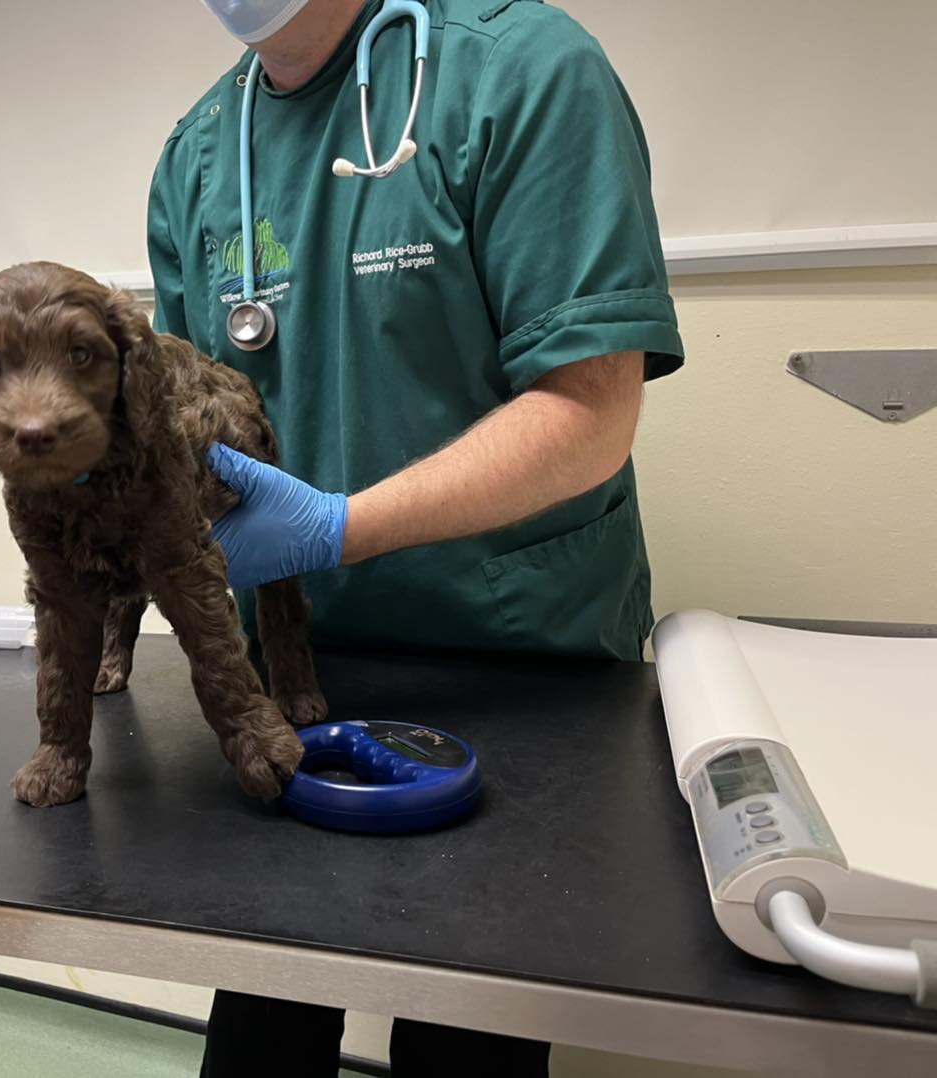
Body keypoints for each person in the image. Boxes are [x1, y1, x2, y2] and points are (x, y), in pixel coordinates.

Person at [147, 0, 684, 1074]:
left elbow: (590, 413)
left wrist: (341, 528)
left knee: (466, 1051)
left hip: (519, 674)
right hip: (293, 681)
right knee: (259, 1040)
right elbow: (185, 424)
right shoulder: (196, 157)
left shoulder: (523, 72)